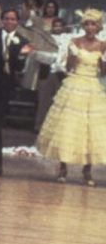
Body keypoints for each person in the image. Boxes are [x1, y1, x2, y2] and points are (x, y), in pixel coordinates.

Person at [37, 9, 106, 186]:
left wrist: (104, 59)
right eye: (87, 24)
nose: (90, 27)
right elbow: (68, 68)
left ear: (98, 27)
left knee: (90, 129)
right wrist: (73, 56)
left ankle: (87, 170)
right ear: (83, 26)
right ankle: (62, 167)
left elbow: (103, 73)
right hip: (75, 84)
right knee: (67, 125)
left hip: (92, 87)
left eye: (93, 24)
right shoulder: (74, 42)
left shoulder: (103, 45)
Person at [0, 9, 31, 175]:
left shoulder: (23, 41)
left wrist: (22, 56)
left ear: (17, 22)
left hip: (5, 88)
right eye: (7, 19)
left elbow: (19, 68)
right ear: (2, 20)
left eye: (13, 19)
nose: (9, 22)